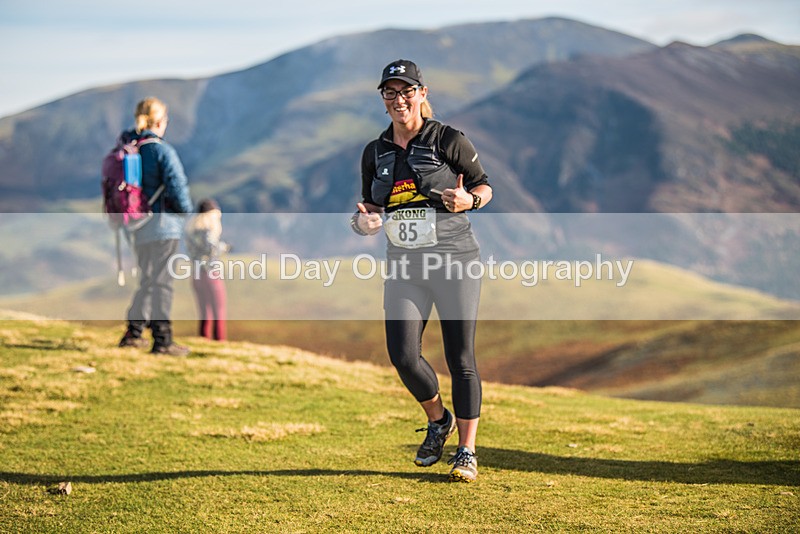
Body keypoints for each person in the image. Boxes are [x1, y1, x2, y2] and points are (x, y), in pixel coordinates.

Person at [351, 59, 493, 483]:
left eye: (406, 91)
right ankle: (438, 420)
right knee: (403, 355)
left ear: (422, 93)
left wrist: (471, 202)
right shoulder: (375, 152)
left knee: (461, 357)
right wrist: (362, 224)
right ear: (383, 99)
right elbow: (367, 210)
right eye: (390, 93)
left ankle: (466, 451)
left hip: (454, 260)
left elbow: (484, 184)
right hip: (404, 265)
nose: (399, 100)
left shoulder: (448, 139)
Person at [118, 97, 194, 356]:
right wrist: (185, 212)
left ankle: (133, 332)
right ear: (160, 122)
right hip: (163, 225)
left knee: (148, 280)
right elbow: (177, 186)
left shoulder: (130, 149)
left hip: (137, 227)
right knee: (162, 282)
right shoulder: (162, 151)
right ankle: (163, 340)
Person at [185, 198, 229, 341]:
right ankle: (219, 341)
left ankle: (203, 339)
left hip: (196, 275)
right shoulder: (209, 230)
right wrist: (224, 247)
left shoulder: (191, 231)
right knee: (219, 311)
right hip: (211, 274)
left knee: (204, 312)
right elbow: (211, 247)